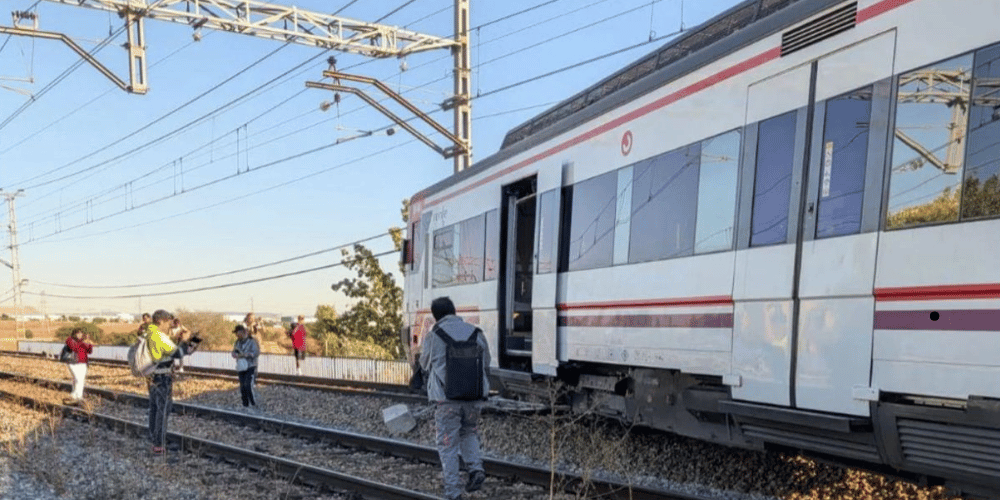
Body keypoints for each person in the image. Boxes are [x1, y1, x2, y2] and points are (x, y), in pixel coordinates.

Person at [419, 297, 490, 500]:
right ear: (454, 311)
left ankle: (453, 492)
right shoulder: (476, 332)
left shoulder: (434, 335)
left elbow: (424, 364)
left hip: (446, 399)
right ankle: (476, 469)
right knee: (469, 432)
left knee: (447, 444)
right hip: (474, 396)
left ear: (435, 316)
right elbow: (487, 363)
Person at [145, 309, 201, 454]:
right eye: (168, 321)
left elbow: (173, 351)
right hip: (162, 377)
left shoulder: (150, 333)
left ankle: (154, 439)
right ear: (160, 321)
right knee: (163, 411)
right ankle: (159, 444)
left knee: (155, 409)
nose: (170, 324)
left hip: (153, 376)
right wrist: (184, 340)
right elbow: (177, 353)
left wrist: (189, 343)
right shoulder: (158, 336)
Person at [232, 324, 260, 409]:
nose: (236, 335)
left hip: (250, 366)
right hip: (241, 366)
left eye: (237, 333)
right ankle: (245, 404)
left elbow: (256, 353)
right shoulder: (237, 342)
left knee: (248, 385)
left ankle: (253, 403)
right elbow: (234, 352)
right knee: (242, 386)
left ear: (241, 332)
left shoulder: (252, 341)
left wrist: (247, 355)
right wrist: (234, 354)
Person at [63, 328, 93, 406]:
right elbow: (74, 348)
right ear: (74, 334)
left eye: (81, 333)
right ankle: (78, 397)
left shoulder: (83, 342)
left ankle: (74, 395)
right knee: (78, 379)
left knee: (80, 380)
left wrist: (89, 344)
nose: (80, 335)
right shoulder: (70, 340)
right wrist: (84, 343)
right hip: (73, 363)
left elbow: (89, 351)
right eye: (78, 333)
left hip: (83, 363)